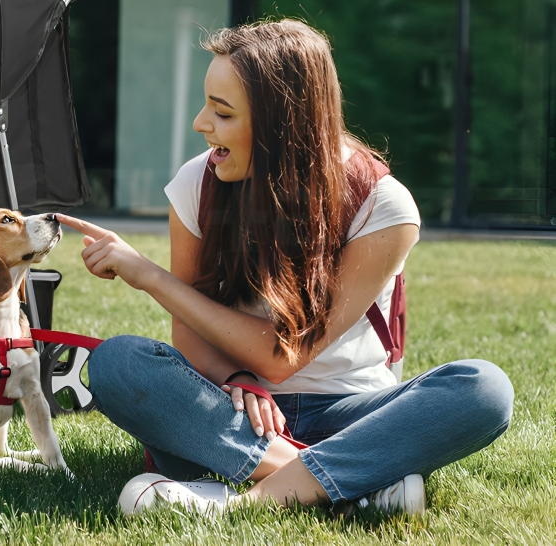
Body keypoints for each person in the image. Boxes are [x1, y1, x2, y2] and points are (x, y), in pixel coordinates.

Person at [56, 19, 513, 517]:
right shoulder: (197, 183)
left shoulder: (383, 206)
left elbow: (282, 358)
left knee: (483, 389)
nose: (200, 124)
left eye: (222, 112)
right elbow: (191, 342)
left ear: (281, 124)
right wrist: (237, 377)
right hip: (230, 410)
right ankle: (355, 484)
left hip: (352, 414)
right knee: (116, 363)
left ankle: (246, 500)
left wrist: (148, 275)